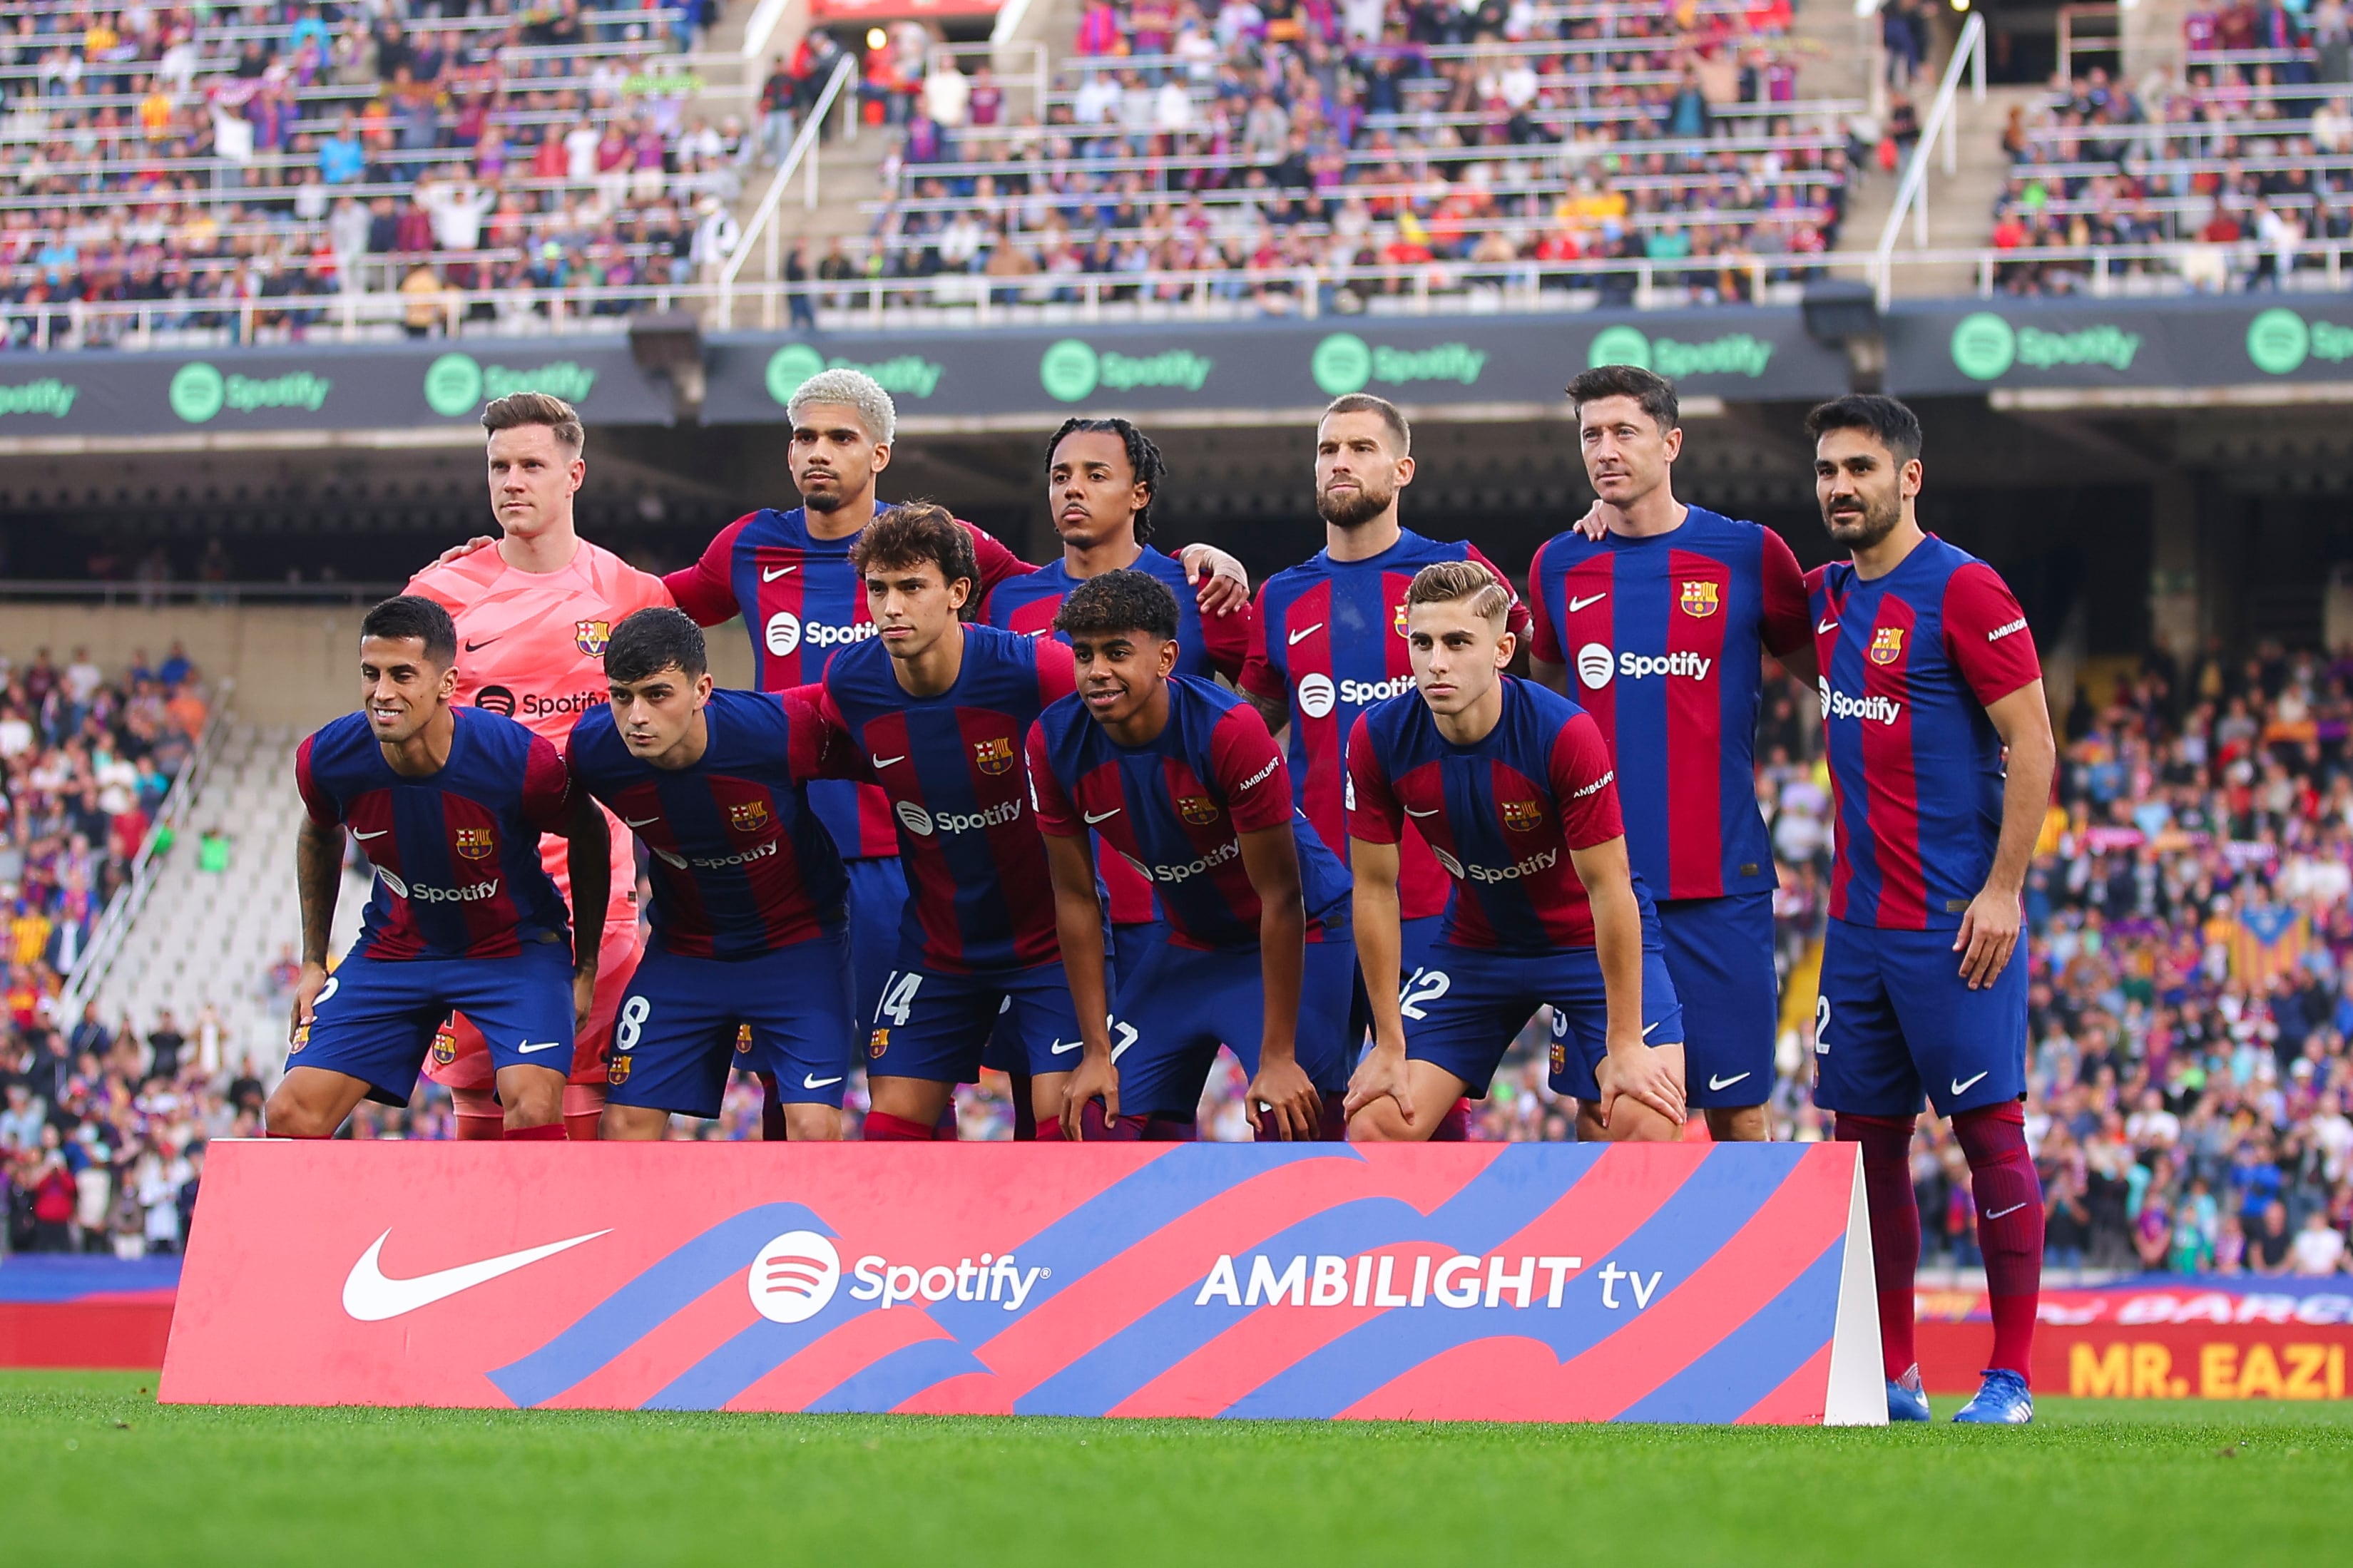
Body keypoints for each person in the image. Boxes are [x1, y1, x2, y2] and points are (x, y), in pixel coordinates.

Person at [657, 371, 1251, 1107]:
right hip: (840, 856)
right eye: (805, 436)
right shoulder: (761, 546)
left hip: (1028, 878)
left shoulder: (1166, 592)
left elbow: (1236, 685)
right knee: (816, 1081)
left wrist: (1201, 557)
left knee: (1086, 1103)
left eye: (839, 437)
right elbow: (647, 605)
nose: (818, 451)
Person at [1803, 394, 2058, 1425]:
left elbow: (2032, 742)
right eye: (1825, 469)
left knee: (1988, 1134)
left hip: (1953, 922)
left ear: (1908, 476)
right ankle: (1893, 1374)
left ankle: (2009, 1377)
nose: (1839, 486)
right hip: (1854, 928)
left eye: (1859, 467)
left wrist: (2001, 889)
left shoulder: (1961, 588)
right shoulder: (1822, 596)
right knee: (1864, 1147)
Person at [1528, 364, 1816, 1142]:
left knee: (1737, 1107)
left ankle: (1746, 1267)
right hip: (1598, 885)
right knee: (1600, 1105)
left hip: (1719, 883)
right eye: (1590, 434)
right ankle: (1603, 1265)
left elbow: (1835, 671)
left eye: (1624, 431)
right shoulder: (1559, 564)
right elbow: (1539, 707)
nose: (1605, 449)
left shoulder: (1747, 555)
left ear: (1671, 442)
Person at [1240, 394, 1530, 1139]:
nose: (1339, 461)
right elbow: (1245, 732)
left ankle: (1438, 1257)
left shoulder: (1457, 573)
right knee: (1295, 1121)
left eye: (1361, 448)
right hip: (1315, 906)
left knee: (1418, 1117)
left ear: (1401, 469)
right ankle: (1310, 1258)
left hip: (1435, 899)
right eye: (1327, 448)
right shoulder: (1282, 596)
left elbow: (1529, 666)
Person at [1343, 560, 1687, 1144]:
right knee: (1377, 1121)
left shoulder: (1562, 733)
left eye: (1457, 642)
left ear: (1503, 648)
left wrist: (1626, 1042)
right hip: (1478, 946)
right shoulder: (1376, 737)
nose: (1436, 662)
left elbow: (1610, 887)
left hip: (1584, 942)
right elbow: (1374, 889)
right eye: (1420, 642)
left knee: (1643, 1121)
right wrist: (1388, 1042)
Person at [405, 392, 671, 1141]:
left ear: (574, 474)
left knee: (577, 1127)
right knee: (482, 1131)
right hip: (475, 899)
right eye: (498, 466)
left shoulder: (631, 597)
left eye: (530, 464)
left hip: (596, 903)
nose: (511, 481)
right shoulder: (437, 596)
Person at [985, 417, 1257, 1132]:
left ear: (1138, 492)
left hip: (1164, 908)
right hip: (1042, 905)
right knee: (1046, 1120)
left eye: (1095, 475)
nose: (1073, 488)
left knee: (1144, 1116)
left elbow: (1268, 700)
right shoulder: (1010, 601)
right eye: (1060, 475)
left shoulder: (1196, 590)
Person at [266, 596, 609, 1140]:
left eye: (403, 675)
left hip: (513, 948)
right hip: (396, 949)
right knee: (288, 1114)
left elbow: (589, 832)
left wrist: (585, 965)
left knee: (534, 1104)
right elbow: (317, 830)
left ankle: (537, 1228)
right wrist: (313, 961)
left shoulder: (519, 761)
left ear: (447, 684)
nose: (382, 693)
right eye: (371, 674)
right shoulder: (328, 758)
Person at [1031, 570, 1353, 1142]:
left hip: (1302, 930)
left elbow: (1281, 896)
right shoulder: (1052, 742)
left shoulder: (1228, 730)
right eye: (1083, 654)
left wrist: (1276, 1054)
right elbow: (1075, 898)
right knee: (1086, 1122)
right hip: (1187, 942)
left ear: (1166, 658)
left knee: (1291, 1116)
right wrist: (1095, 1051)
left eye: (1117, 652)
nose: (1097, 670)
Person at [812, 503, 1083, 1140]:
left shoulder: (1030, 670)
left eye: (911, 587)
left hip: (1048, 944)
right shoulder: (852, 681)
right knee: (887, 1134)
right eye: (878, 588)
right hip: (939, 947)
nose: (890, 607)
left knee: (1065, 1131)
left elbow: (1129, 719)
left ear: (959, 592)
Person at [566, 609, 854, 1141]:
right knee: (624, 1124)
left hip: (797, 945)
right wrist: (583, 967)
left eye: (657, 694)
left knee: (813, 1129)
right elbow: (582, 836)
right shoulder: (593, 751)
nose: (635, 716)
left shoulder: (776, 731)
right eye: (621, 695)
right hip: (685, 953)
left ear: (702, 689)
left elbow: (889, 761)